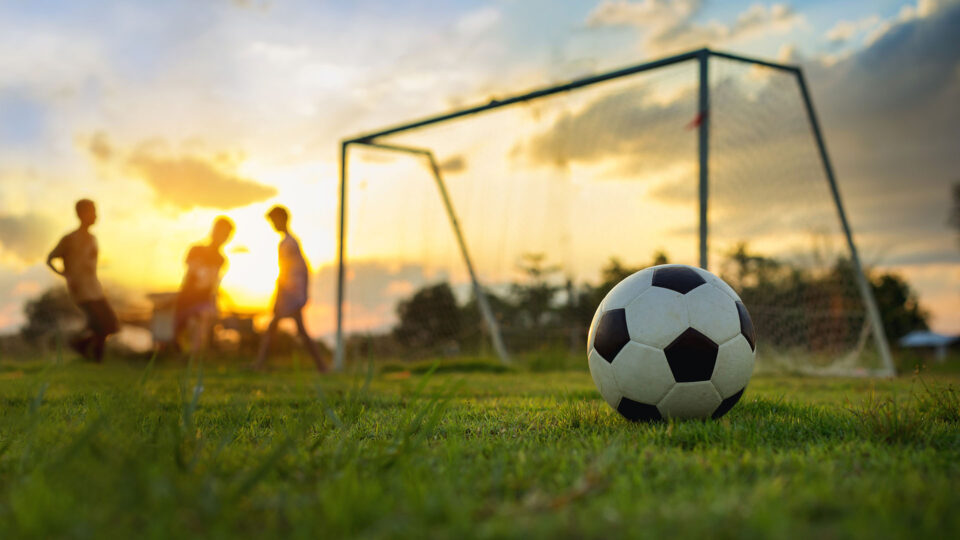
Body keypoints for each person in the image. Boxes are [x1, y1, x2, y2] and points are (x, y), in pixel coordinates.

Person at [254, 205, 327, 371]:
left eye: (274, 221)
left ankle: (259, 364)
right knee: (293, 331)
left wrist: (279, 296)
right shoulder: (291, 242)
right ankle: (322, 366)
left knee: (276, 329)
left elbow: (286, 272)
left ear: (282, 219)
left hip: (290, 295)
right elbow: (304, 269)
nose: (273, 225)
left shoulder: (288, 244)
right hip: (293, 294)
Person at [46, 199, 118, 362]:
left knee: (110, 324)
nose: (95, 216)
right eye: (92, 212)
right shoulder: (70, 239)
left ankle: (81, 346)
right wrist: (66, 275)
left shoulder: (92, 238)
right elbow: (50, 259)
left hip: (95, 288)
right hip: (80, 289)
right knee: (100, 325)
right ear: (81, 214)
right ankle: (94, 357)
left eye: (95, 212)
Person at [174, 217, 234, 353]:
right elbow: (193, 274)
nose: (222, 237)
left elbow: (213, 285)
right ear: (213, 231)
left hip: (204, 302)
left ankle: (196, 355)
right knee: (186, 328)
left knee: (204, 317)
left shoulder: (221, 259)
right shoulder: (196, 250)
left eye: (226, 235)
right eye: (221, 232)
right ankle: (189, 354)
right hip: (186, 300)